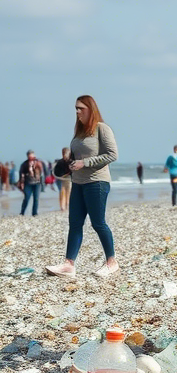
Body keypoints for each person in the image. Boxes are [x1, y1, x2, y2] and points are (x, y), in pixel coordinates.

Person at [45, 96, 119, 278]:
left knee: (98, 223)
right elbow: (77, 158)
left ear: (90, 109)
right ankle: (68, 265)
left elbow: (112, 155)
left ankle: (112, 262)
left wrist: (84, 162)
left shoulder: (102, 129)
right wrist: (69, 163)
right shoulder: (79, 132)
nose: (77, 111)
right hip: (77, 183)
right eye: (76, 108)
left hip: (97, 182)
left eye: (81, 108)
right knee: (75, 223)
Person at [18, 151, 44, 216]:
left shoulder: (38, 163)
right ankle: (22, 212)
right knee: (26, 198)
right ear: (28, 157)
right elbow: (21, 174)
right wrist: (21, 183)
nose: (32, 159)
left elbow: (43, 173)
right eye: (30, 157)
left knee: (36, 198)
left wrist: (43, 182)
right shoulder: (24, 164)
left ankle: (34, 213)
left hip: (37, 183)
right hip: (28, 183)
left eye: (33, 157)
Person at [57, 147, 72, 212]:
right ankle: (62, 206)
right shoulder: (60, 162)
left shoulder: (71, 161)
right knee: (62, 192)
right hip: (62, 178)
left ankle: (67, 205)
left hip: (69, 178)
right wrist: (62, 175)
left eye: (65, 153)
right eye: (63, 153)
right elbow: (57, 171)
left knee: (69, 191)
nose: (64, 154)